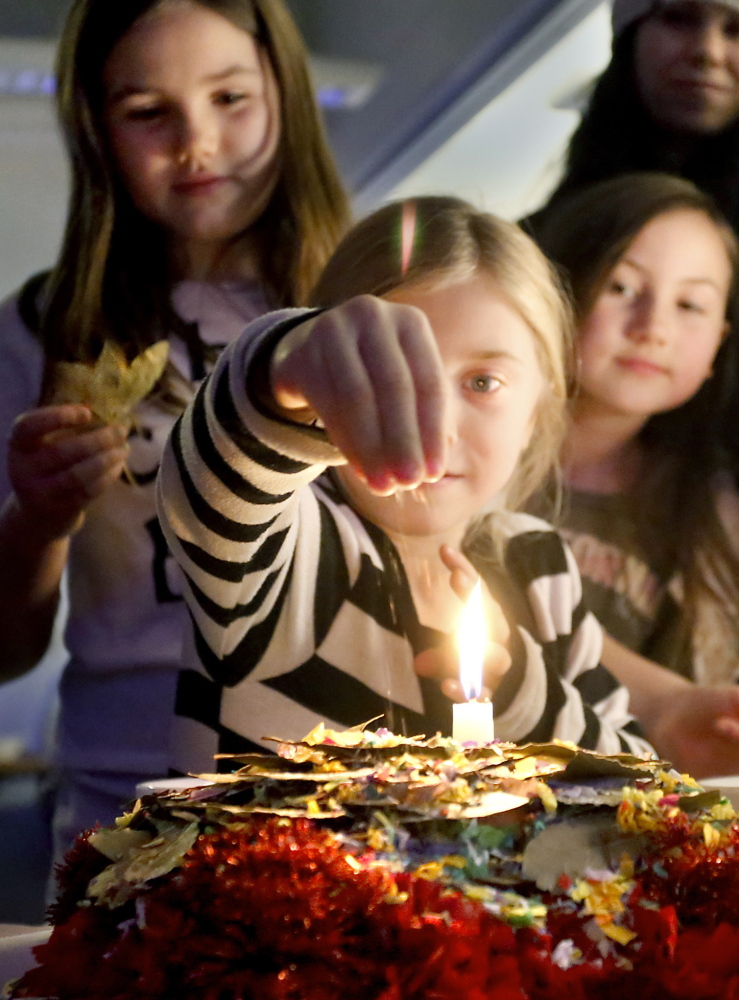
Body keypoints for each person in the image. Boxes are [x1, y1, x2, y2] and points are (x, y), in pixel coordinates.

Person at [0, 0, 350, 860]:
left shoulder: (362, 305)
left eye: (229, 99)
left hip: (342, 789)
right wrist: (38, 519)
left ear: (285, 93)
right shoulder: (42, 331)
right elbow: (6, 651)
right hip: (124, 797)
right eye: (148, 113)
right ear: (95, 130)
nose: (195, 144)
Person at [157, 195, 654, 774]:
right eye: (385, 371)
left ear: (536, 417)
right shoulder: (295, 549)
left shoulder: (537, 565)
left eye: (483, 382)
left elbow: (641, 780)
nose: (432, 420)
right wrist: (283, 368)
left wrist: (522, 691)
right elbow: (219, 475)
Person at [533, 172, 739, 777]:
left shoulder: (714, 518)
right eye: (622, 286)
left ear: (718, 345)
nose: (654, 325)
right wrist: (663, 701)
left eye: (691, 305)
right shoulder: (468, 457)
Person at [534, 0, 739, 232]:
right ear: (629, 41)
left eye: (735, 30)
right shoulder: (537, 245)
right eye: (678, 19)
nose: (709, 51)